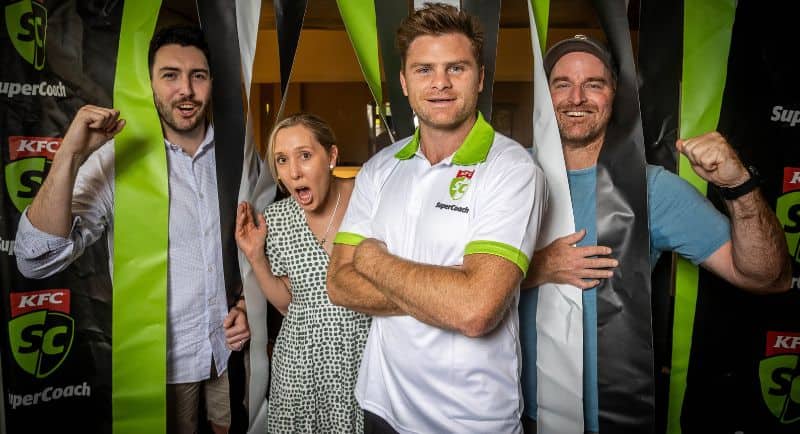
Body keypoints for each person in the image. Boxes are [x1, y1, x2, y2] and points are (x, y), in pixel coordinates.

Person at [519, 34, 792, 433]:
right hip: (515, 415)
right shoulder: (508, 177)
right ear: (545, 96)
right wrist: (535, 267)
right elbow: (449, 280)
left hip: (613, 419)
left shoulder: (651, 188)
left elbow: (769, 277)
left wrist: (739, 186)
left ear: (614, 94)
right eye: (562, 84)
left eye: (593, 84)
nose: (576, 97)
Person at [14, 26, 250, 434]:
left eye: (198, 75)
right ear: (150, 83)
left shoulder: (242, 154)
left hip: (229, 357)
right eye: (170, 75)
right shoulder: (116, 160)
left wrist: (247, 306)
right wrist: (69, 155)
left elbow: (259, 243)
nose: (186, 90)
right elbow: (35, 259)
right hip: (161, 365)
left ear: (212, 82)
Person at [326, 4, 546, 433]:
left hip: (470, 420)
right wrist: (447, 289)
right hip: (380, 406)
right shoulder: (379, 168)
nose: (440, 83)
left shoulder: (512, 169)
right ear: (405, 83)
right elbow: (338, 284)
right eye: (424, 69)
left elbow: (475, 310)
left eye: (456, 68)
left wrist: (372, 261)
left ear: (479, 78)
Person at [234, 113, 370, 433]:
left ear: (332, 156)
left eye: (305, 156)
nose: (294, 172)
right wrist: (256, 257)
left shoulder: (369, 200)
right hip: (298, 373)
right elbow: (285, 304)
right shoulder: (278, 218)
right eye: (282, 160)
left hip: (360, 365)